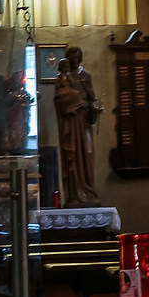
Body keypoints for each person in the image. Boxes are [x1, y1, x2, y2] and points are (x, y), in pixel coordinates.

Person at [51, 46, 103, 206]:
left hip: (84, 120)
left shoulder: (85, 75)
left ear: (80, 59)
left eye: (77, 57)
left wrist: (94, 108)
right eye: (71, 57)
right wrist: (70, 104)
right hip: (70, 121)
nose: (74, 60)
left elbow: (91, 98)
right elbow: (58, 99)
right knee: (72, 155)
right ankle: (74, 194)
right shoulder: (62, 77)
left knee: (86, 154)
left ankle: (88, 191)